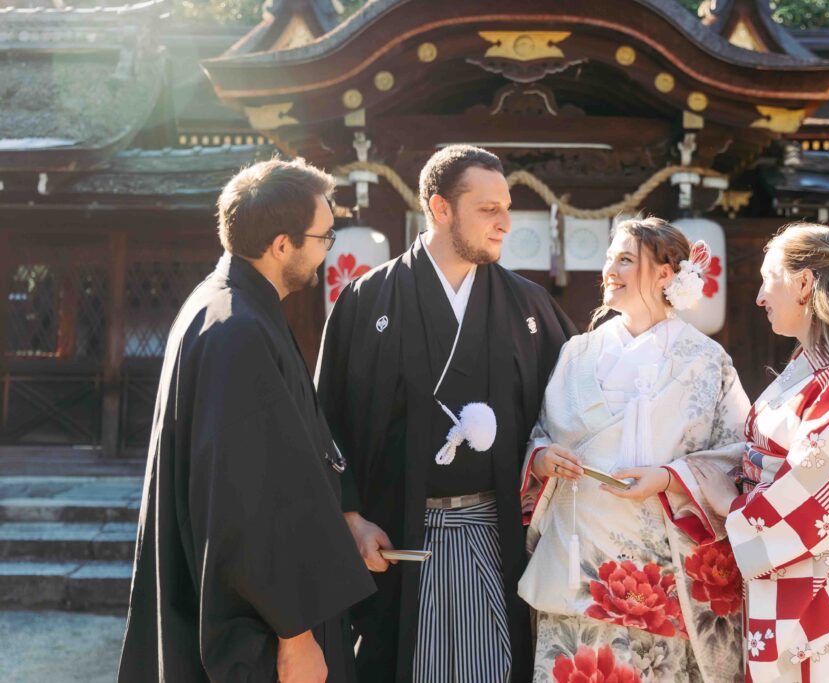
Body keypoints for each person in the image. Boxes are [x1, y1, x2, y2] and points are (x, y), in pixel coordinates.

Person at [315, 144, 577, 682]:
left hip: (500, 528)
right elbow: (326, 420)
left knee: (498, 665)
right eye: (488, 209)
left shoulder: (528, 307)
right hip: (397, 534)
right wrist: (350, 518)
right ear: (439, 208)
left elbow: (573, 409)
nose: (506, 223)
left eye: (507, 207)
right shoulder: (368, 300)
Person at [118, 159, 376, 683]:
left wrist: (346, 518)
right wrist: (295, 635)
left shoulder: (226, 307)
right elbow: (245, 500)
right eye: (324, 237)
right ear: (282, 244)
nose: (329, 249)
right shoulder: (236, 329)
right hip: (262, 630)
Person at [518, 216, 752, 682]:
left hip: (662, 572)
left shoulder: (706, 361)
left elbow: (738, 456)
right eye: (609, 259)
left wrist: (669, 478)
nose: (609, 270)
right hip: (577, 566)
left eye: (625, 260)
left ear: (666, 274)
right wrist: (541, 458)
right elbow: (540, 433)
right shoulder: (577, 353)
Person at [690, 222, 829, 683]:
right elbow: (762, 453)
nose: (758, 296)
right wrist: (685, 473)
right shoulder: (811, 370)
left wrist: (730, 506)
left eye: (766, 278)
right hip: (793, 580)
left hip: (826, 594)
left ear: (803, 283)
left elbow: (815, 495)